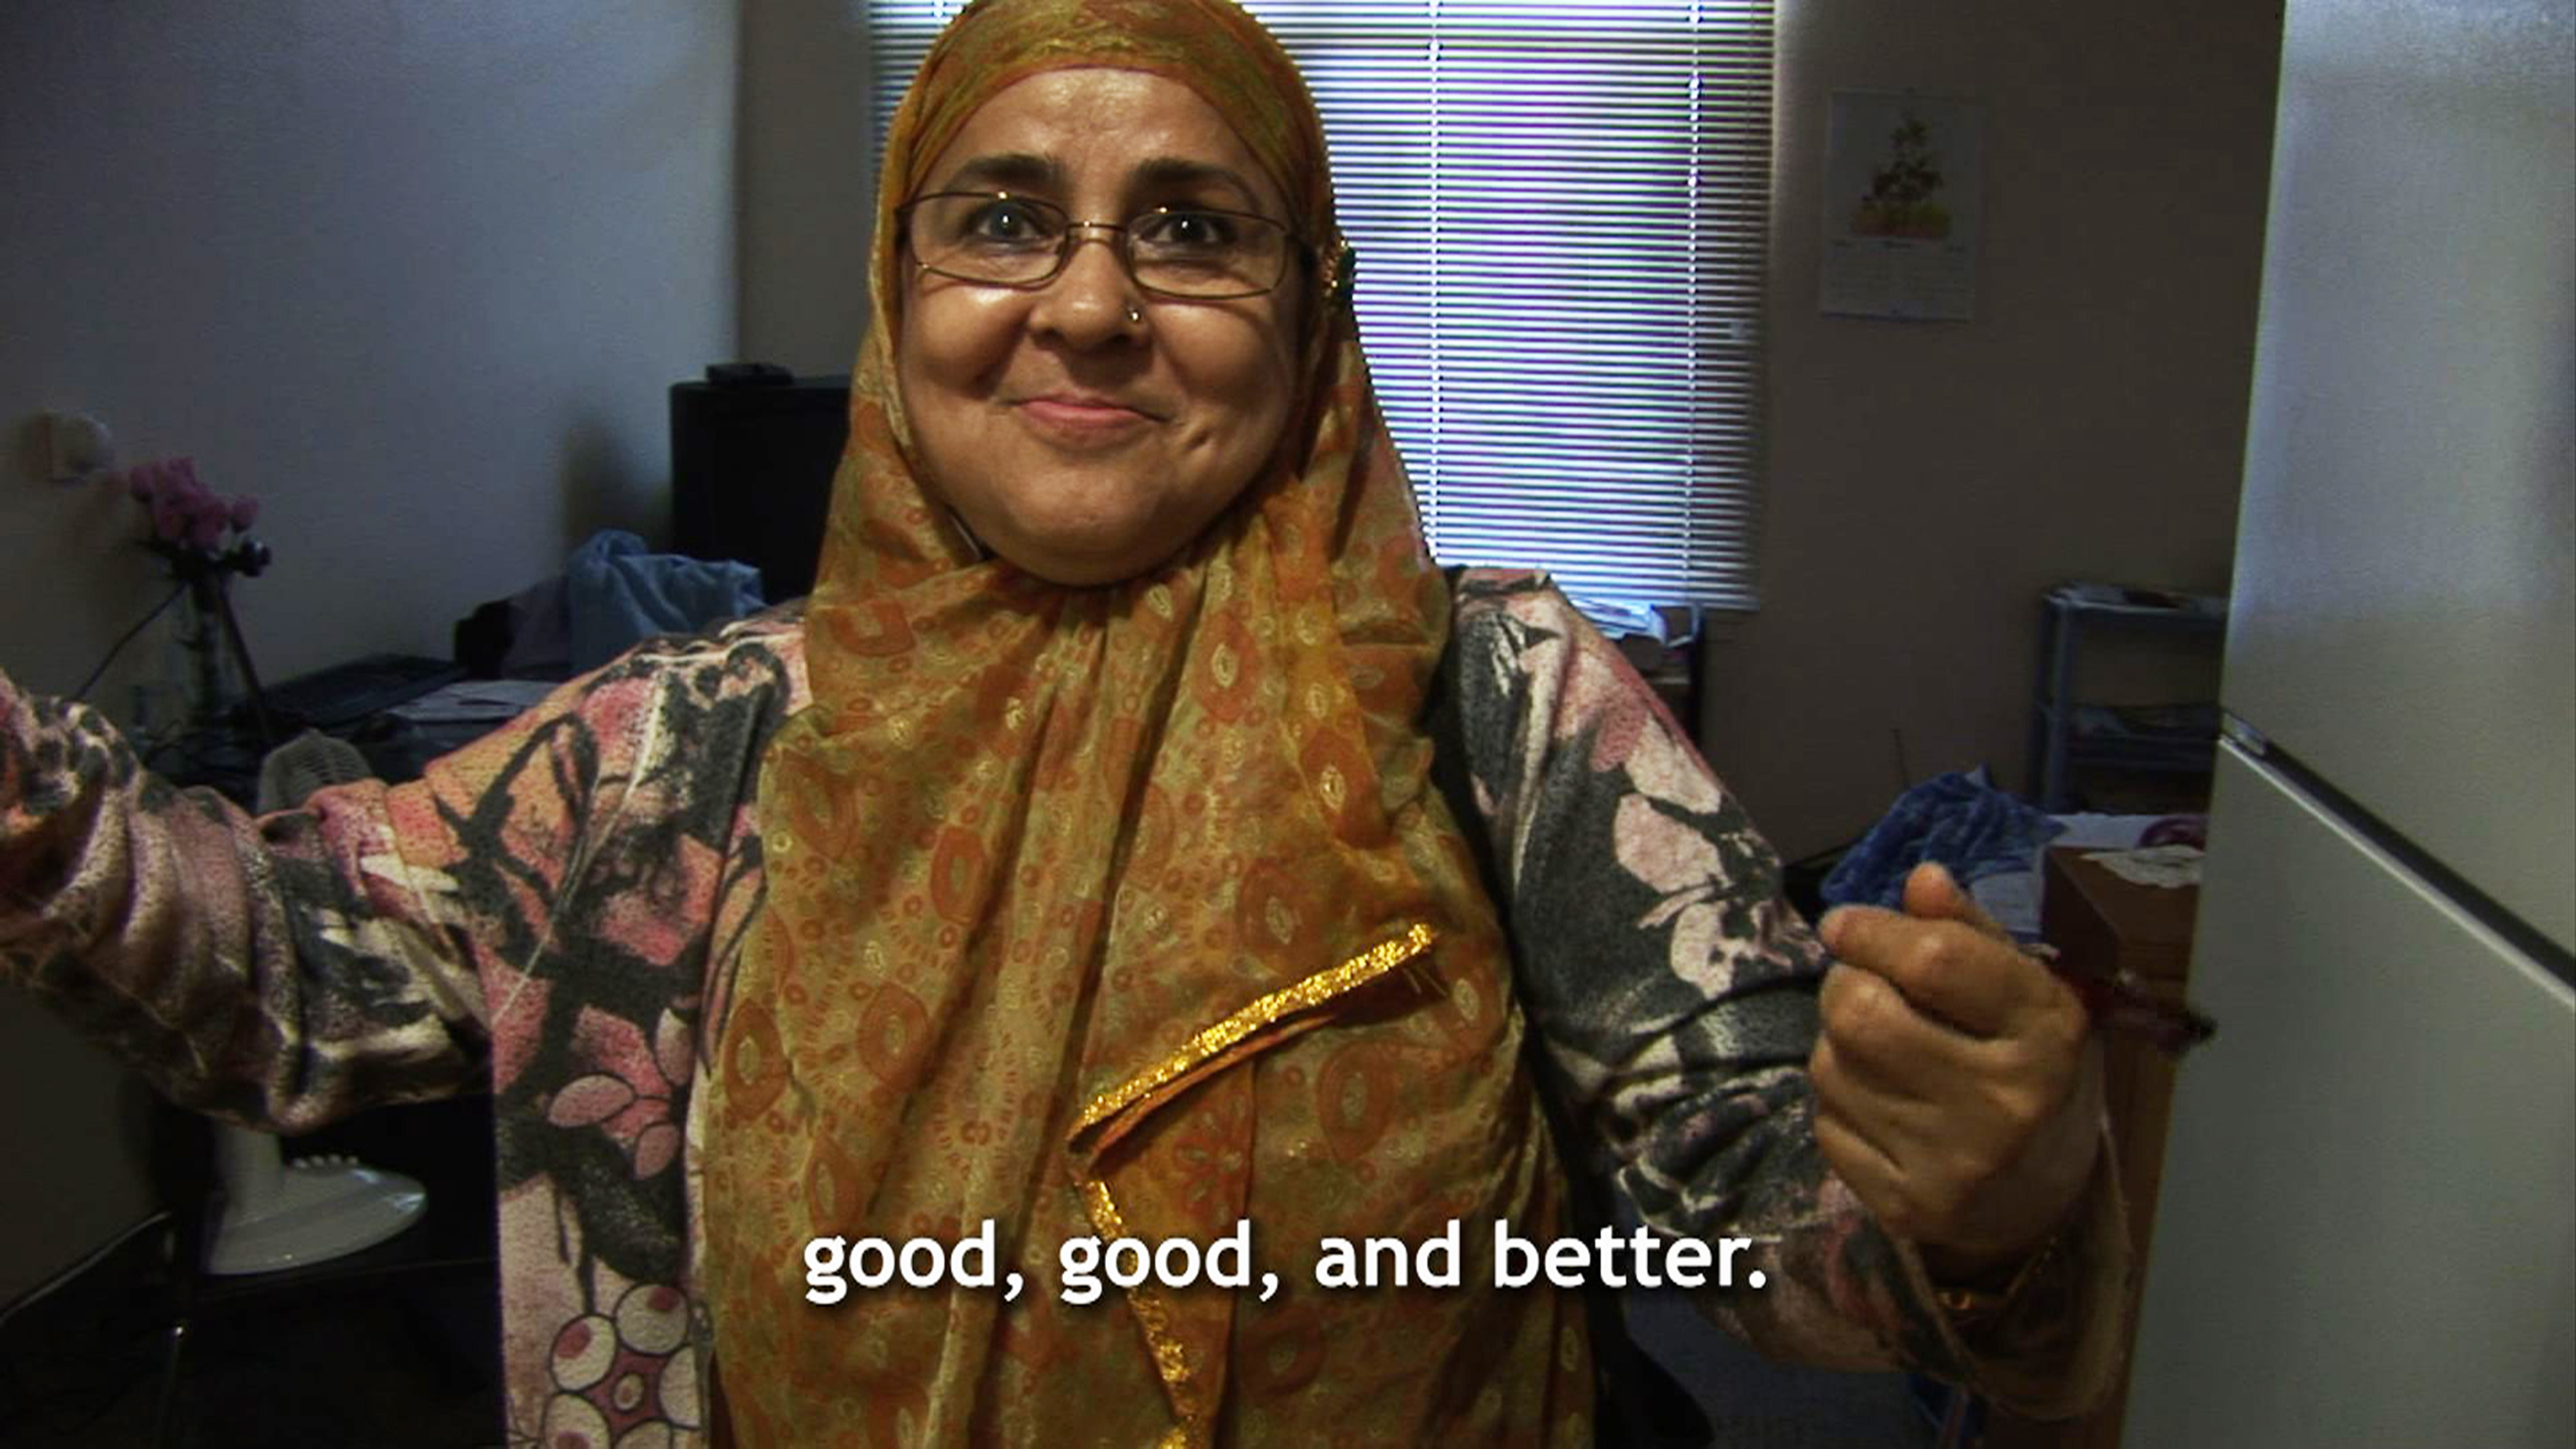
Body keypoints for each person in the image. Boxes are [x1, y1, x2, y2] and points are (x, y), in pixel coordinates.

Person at [1, 0, 2129, 1442]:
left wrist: (1984, 1202)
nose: (1091, 302)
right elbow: (288, 973)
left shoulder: (1494, 700)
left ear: (1310, 313)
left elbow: (1765, 1221)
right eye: (1005, 218)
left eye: (1192, 230)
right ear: (896, 286)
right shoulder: (694, 741)